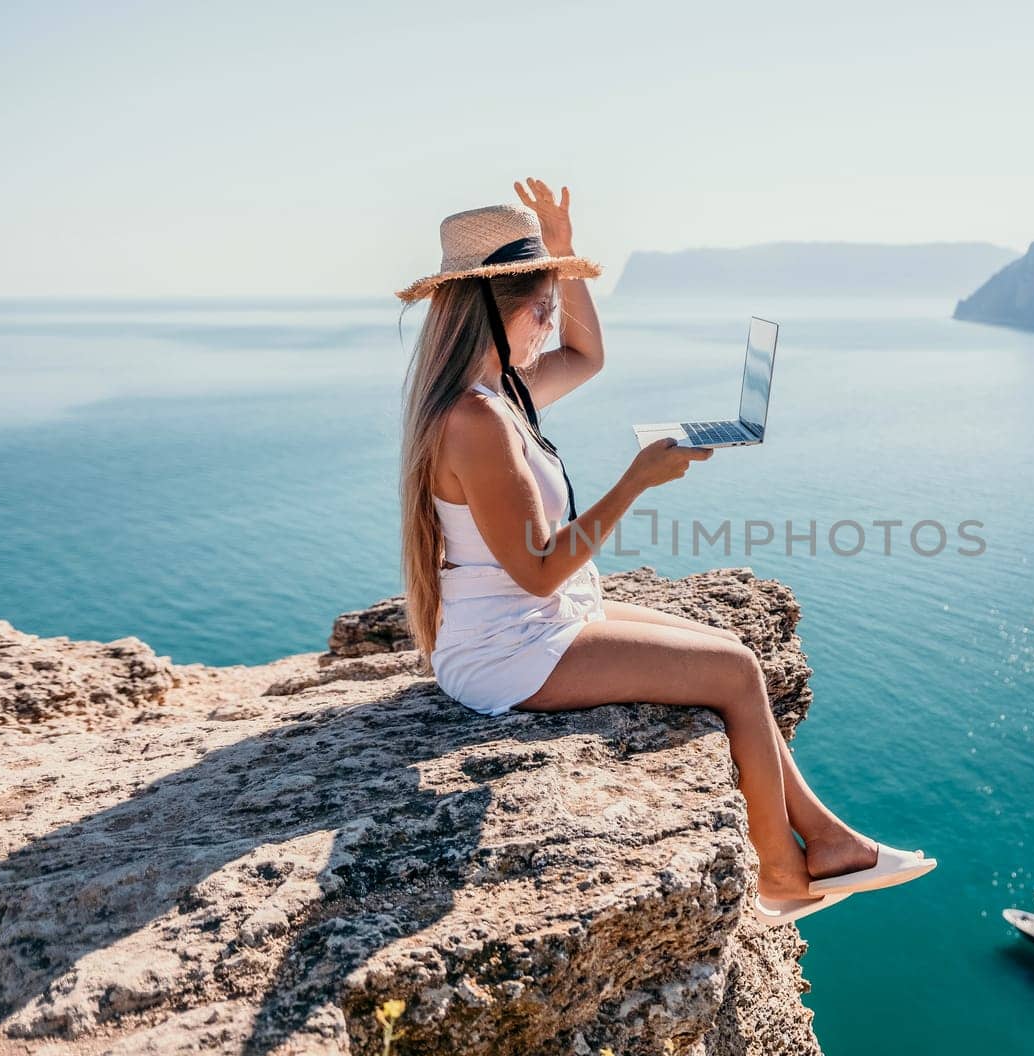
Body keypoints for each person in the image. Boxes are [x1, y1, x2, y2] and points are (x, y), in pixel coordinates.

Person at [395, 178, 935, 924]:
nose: (552, 326)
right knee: (738, 672)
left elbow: (589, 353)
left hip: (537, 623)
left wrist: (563, 251)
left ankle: (827, 838)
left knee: (728, 646)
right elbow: (540, 565)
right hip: (510, 650)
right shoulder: (475, 421)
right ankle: (781, 872)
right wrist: (636, 480)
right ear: (489, 308)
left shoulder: (505, 391)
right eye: (542, 307)